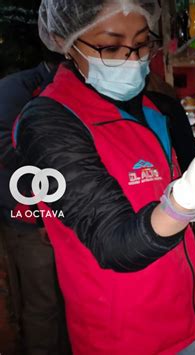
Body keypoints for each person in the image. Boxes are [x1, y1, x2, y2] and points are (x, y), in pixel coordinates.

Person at [13, 1, 195, 354]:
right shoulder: (49, 122)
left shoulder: (159, 109)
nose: (132, 60)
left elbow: (191, 188)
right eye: (111, 47)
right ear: (68, 42)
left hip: (184, 316)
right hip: (120, 336)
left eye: (142, 45)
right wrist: (188, 195)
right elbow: (114, 243)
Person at [0, 56, 74, 354]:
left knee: (72, 299)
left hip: (68, 215)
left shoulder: (70, 90)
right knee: (43, 304)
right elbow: (8, 149)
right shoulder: (14, 90)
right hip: (29, 217)